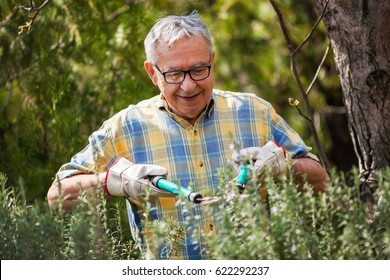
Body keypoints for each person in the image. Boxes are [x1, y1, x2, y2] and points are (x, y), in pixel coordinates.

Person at [47, 12, 329, 259]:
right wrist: (111, 183)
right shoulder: (125, 126)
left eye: (198, 70)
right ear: (152, 73)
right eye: (174, 74)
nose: (189, 85)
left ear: (213, 62)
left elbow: (322, 182)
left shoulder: (255, 113)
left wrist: (283, 167)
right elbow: (56, 197)